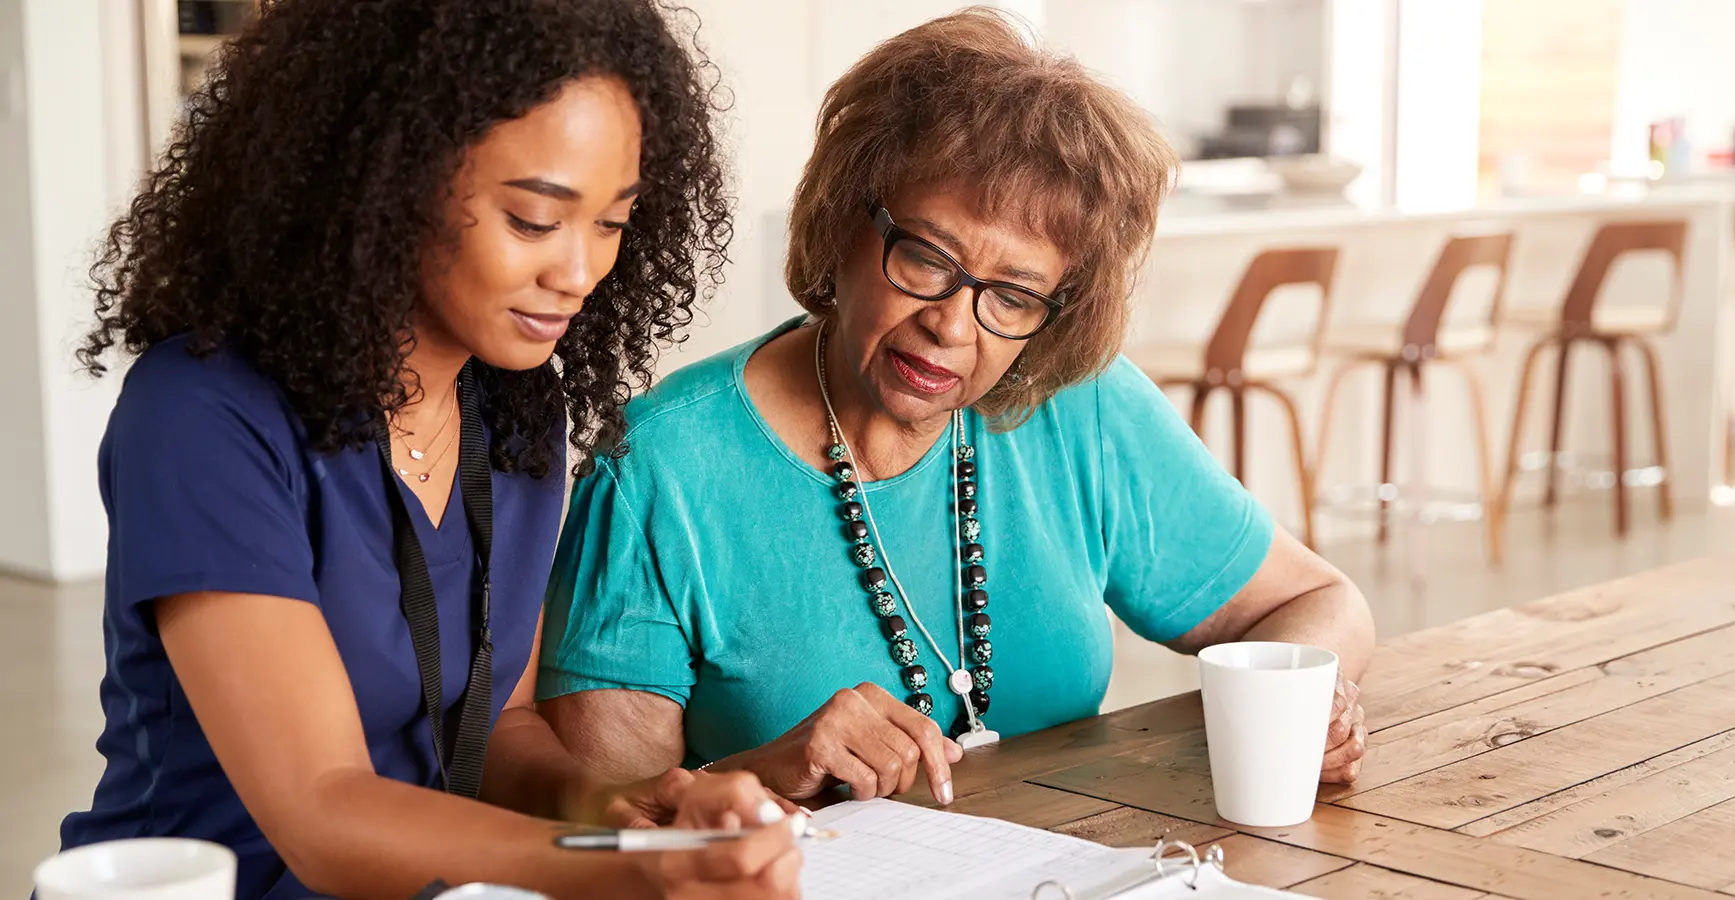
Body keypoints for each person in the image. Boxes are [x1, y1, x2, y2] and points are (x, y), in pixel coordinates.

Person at [535, 8, 1375, 809]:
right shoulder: (660, 469)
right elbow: (607, 826)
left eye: (1012, 296)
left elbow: (1317, 603)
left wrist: (1310, 698)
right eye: (927, 259)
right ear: (842, 223)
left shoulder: (1077, 407)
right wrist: (764, 774)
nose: (951, 324)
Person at [56, 2, 798, 898]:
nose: (578, 272)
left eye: (612, 223)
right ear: (387, 177)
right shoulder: (201, 416)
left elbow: (498, 727)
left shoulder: (520, 409)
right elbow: (324, 811)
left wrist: (621, 814)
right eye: (533, 219)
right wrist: (615, 870)